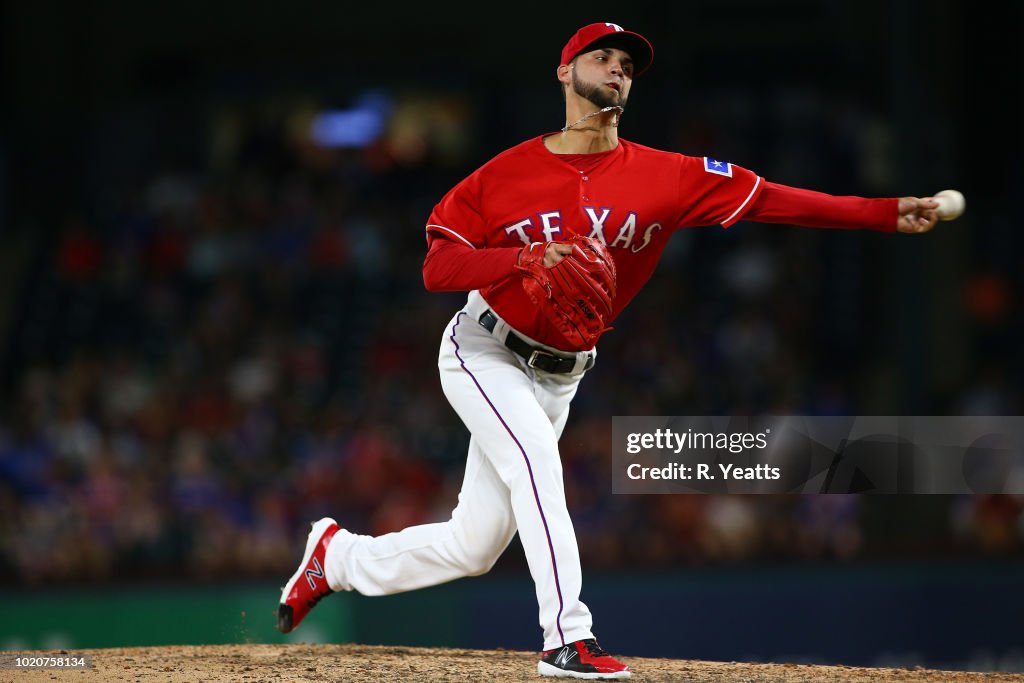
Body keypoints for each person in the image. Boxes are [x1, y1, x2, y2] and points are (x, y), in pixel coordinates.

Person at [277, 21, 941, 679]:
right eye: (602, 57)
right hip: (484, 349)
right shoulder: (504, 175)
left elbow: (772, 199)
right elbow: (436, 268)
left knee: (475, 544)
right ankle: (567, 639)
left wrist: (883, 211)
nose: (618, 68)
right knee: (538, 463)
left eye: (627, 62)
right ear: (565, 73)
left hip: (561, 375)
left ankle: (335, 559)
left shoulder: (667, 175)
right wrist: (524, 257)